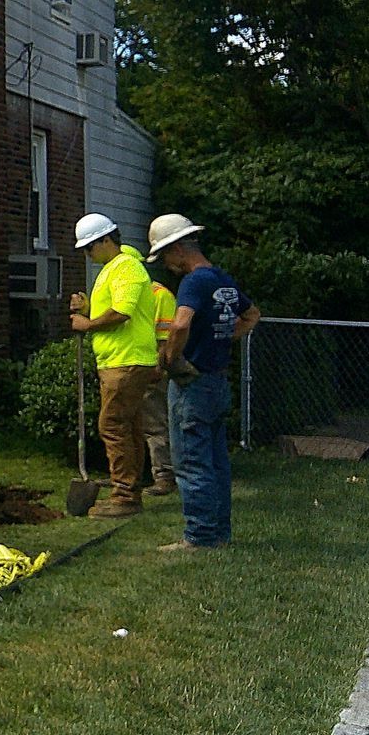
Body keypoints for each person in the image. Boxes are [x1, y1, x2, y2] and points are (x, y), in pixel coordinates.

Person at [149, 214, 261, 551]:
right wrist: (222, 339)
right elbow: (252, 315)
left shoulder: (194, 282)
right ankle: (219, 534)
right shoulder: (221, 280)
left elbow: (181, 325)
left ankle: (199, 537)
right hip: (217, 381)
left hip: (193, 385)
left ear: (178, 248)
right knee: (216, 462)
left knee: (191, 462)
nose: (167, 265)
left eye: (165, 255)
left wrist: (170, 358)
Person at [68, 213, 161, 518]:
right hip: (120, 361)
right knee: (129, 426)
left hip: (126, 362)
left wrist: (88, 323)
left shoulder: (126, 268)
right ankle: (129, 490)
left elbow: (121, 312)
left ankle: (124, 497)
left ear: (107, 240)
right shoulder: (113, 269)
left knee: (112, 425)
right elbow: (114, 310)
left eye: (90, 247)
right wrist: (88, 309)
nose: (87, 254)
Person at [144, 279, 179, 496]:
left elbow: (167, 336)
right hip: (130, 365)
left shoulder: (159, 295)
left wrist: (159, 365)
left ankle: (164, 475)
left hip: (151, 368)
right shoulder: (127, 292)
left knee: (155, 422)